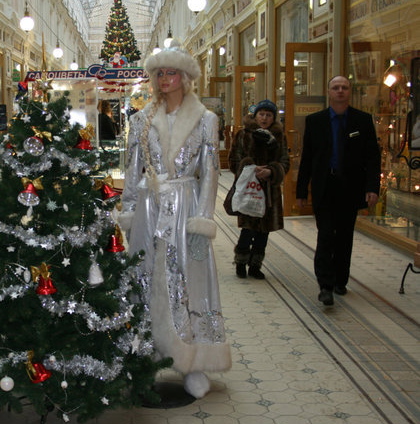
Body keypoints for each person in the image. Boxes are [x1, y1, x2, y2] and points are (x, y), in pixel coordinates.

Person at [118, 47, 231, 398]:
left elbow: (209, 173)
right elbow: (132, 168)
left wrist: (203, 218)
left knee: (187, 279)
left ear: (185, 78)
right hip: (150, 208)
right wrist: (129, 211)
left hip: (185, 206)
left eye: (171, 73)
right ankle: (146, 357)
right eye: (159, 74)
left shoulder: (205, 120)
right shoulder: (140, 120)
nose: (163, 80)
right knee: (146, 276)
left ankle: (193, 361)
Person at [296, 75, 380, 306]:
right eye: (336, 87)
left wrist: (373, 187)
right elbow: (308, 158)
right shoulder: (316, 121)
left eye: (344, 87)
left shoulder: (362, 121)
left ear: (349, 92)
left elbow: (373, 156)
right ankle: (325, 285)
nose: (340, 91)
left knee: (344, 236)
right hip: (325, 186)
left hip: (350, 188)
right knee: (325, 236)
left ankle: (340, 279)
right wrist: (302, 190)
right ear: (329, 92)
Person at [228, 99, 289, 279]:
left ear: (273, 118)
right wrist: (249, 169)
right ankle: (240, 261)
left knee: (264, 231)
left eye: (268, 115)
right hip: (249, 189)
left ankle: (255, 265)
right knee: (248, 228)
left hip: (269, 191)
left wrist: (271, 171)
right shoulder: (243, 135)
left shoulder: (279, 137)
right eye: (261, 114)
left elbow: (285, 162)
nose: (264, 118)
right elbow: (234, 160)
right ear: (255, 116)